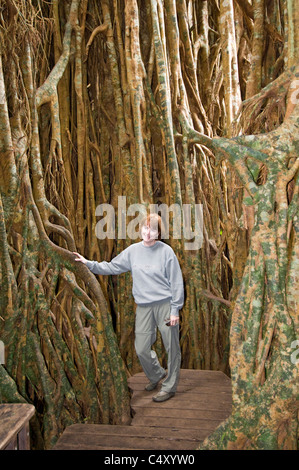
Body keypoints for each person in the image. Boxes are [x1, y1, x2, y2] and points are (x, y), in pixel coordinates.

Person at [73, 213, 184, 402]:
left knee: (171, 346)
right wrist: (88, 264)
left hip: (165, 304)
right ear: (141, 228)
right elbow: (111, 267)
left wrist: (175, 309)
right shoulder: (132, 251)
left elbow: (176, 282)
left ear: (159, 233)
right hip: (143, 306)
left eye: (153, 229)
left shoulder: (166, 252)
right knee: (141, 347)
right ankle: (156, 373)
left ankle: (169, 386)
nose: (148, 233)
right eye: (146, 228)